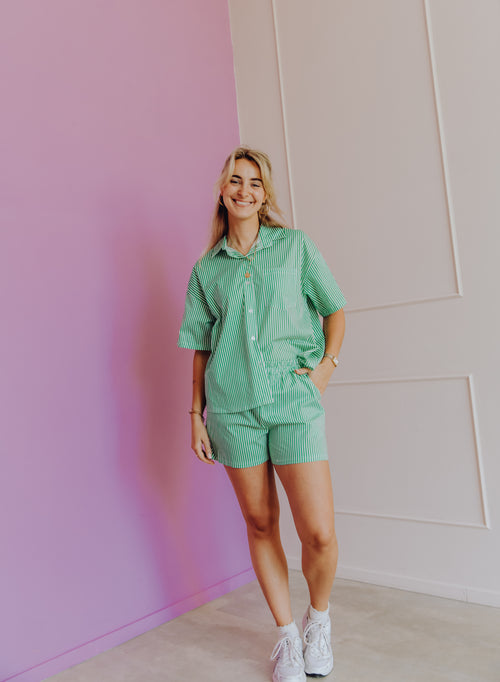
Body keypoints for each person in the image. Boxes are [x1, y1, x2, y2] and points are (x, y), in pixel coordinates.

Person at [178, 146, 346, 682]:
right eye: (235, 180)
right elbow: (201, 346)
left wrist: (324, 370)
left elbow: (334, 308)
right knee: (259, 522)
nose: (244, 190)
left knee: (318, 532)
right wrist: (196, 414)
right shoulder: (207, 270)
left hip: (293, 402)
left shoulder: (295, 247)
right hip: (232, 411)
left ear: (265, 193)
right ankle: (287, 638)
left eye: (254, 182)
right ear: (222, 190)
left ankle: (318, 620)